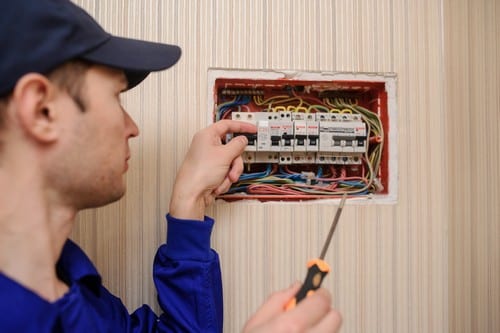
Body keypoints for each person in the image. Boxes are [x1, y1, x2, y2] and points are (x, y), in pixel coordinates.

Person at [0, 0, 342, 332]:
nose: (132, 127)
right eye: (116, 96)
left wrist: (189, 200)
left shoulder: (73, 290)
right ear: (41, 110)